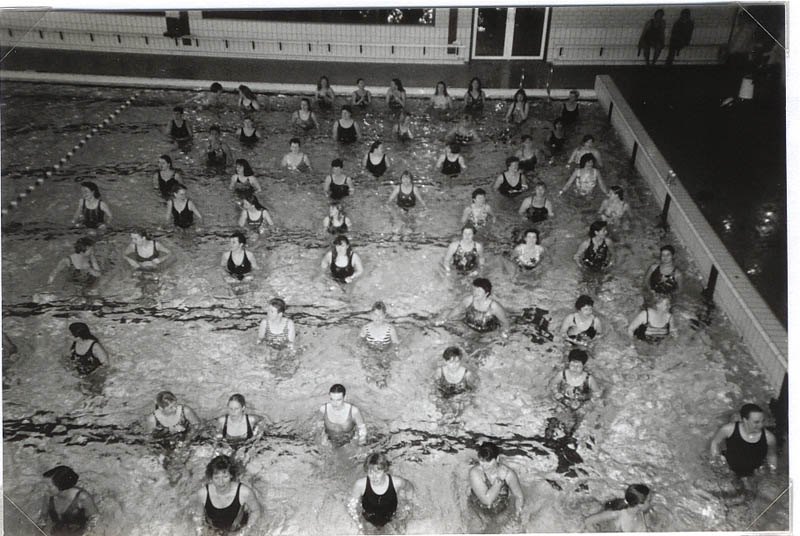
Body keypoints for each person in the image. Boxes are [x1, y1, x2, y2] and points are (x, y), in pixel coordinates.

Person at [193, 455, 262, 533]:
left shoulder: (244, 492)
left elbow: (256, 511)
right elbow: (198, 516)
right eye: (216, 478)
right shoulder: (203, 494)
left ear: (231, 476)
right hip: (212, 530)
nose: (221, 482)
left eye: (225, 477)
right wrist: (200, 531)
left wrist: (247, 530)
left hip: (238, 528)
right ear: (211, 478)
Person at [348, 452, 414, 532]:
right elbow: (352, 507)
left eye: (378, 472)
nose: (374, 477)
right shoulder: (360, 485)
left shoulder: (396, 482)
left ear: (385, 470)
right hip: (368, 519)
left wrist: (409, 504)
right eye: (370, 472)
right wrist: (359, 524)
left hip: (392, 517)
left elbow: (409, 488)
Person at [709, 403, 777, 478]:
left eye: (762, 421)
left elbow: (771, 455)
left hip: (753, 474)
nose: (761, 425)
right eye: (756, 422)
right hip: (730, 470)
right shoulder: (728, 429)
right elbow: (715, 443)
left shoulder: (769, 437)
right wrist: (717, 460)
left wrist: (773, 473)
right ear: (745, 420)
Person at [468, 442, 524, 519]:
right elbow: (487, 501)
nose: (484, 465)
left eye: (488, 461)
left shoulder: (508, 474)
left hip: (501, 512)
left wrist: (517, 515)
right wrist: (499, 480)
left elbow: (519, 496)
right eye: (482, 461)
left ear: (497, 459)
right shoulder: (475, 472)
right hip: (477, 510)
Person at [39, 465, 99, 535]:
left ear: (61, 485)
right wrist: (39, 529)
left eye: (49, 486)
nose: (45, 488)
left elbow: (94, 517)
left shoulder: (82, 497)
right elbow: (43, 517)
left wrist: (87, 533)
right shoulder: (48, 496)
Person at [441, 278, 511, 335]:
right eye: (474, 290)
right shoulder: (469, 300)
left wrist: (504, 333)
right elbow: (458, 309)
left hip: (488, 333)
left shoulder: (494, 307)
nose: (475, 293)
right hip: (469, 329)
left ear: (486, 293)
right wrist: (446, 319)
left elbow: (505, 322)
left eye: (479, 291)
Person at [584, 484, 653, 532]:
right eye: (649, 500)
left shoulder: (640, 513)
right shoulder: (617, 514)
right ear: (640, 504)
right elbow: (588, 521)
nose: (650, 503)